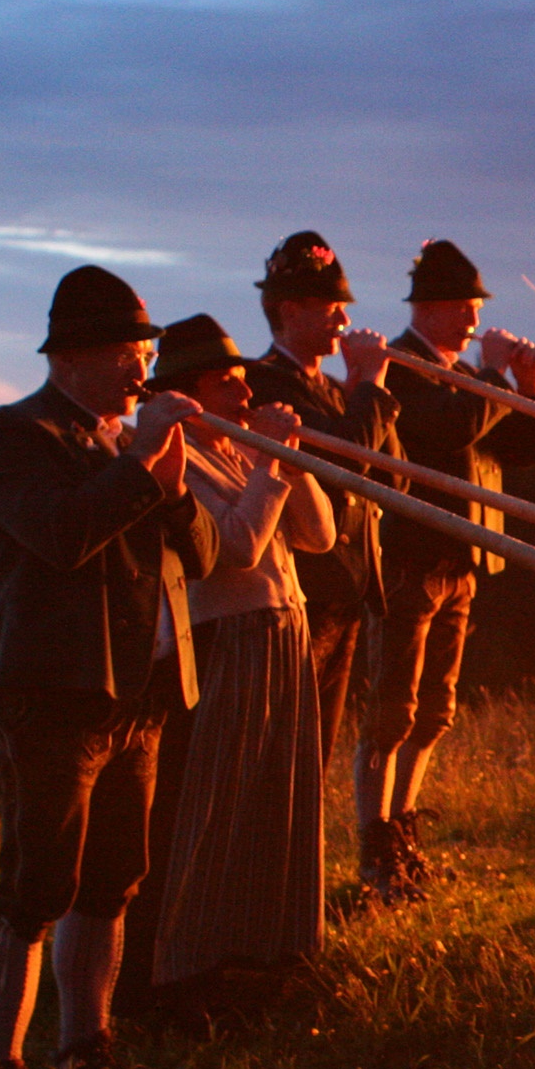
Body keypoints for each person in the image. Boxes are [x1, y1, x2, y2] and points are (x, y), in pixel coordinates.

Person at [0, 265, 216, 1069]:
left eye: (144, 350)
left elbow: (208, 553)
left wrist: (178, 488)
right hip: (55, 698)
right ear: (71, 357)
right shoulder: (14, 434)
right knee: (36, 888)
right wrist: (147, 462)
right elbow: (64, 536)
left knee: (112, 883)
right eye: (125, 352)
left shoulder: (125, 442)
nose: (139, 368)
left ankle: (87, 1049)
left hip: (134, 699)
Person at [138, 315, 337, 1011]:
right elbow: (235, 549)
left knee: (277, 800)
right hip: (226, 639)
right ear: (189, 393)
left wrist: (285, 460)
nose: (244, 392)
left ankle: (268, 948)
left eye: (244, 378)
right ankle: (190, 966)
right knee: (217, 805)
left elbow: (319, 534)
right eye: (227, 381)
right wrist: (269, 465)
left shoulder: (239, 451)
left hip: (283, 631)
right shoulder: (178, 458)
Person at [355, 238, 535, 899]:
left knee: (435, 709)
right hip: (411, 554)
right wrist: (496, 379)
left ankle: (403, 827)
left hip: (463, 555)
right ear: (431, 310)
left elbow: (521, 450)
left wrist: (528, 389)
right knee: (392, 707)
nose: (473, 326)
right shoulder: (399, 367)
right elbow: (446, 431)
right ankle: (373, 840)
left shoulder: (468, 375)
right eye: (465, 311)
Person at [241, 232, 400, 776]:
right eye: (331, 309)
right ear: (289, 310)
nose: (342, 323)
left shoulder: (335, 389)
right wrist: (371, 390)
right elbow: (342, 470)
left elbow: (392, 478)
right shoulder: (264, 382)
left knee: (318, 748)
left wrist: (365, 391)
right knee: (283, 746)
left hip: (345, 589)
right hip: (303, 589)